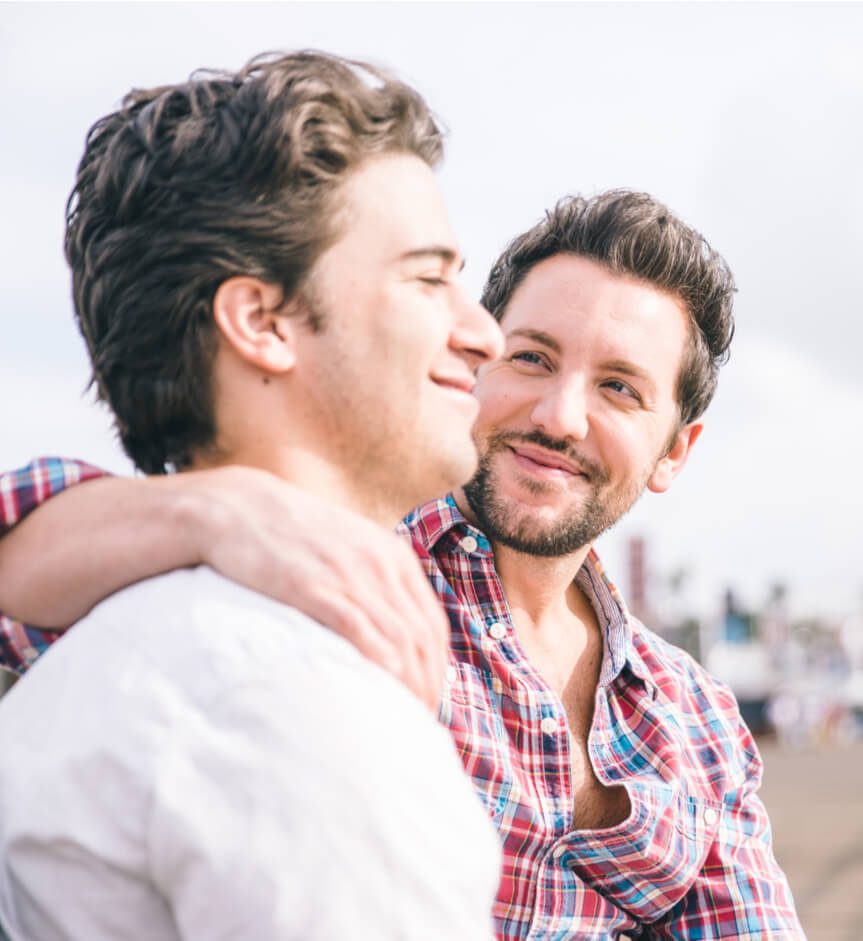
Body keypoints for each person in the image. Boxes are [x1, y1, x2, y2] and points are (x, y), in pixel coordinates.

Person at [0, 192, 806, 938]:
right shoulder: (321, 570)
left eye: (619, 388)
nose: (559, 416)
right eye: (531, 358)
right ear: (478, 359)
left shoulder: (695, 717)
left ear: (674, 450)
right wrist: (211, 508)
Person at [0, 51, 506, 940]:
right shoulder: (289, 702)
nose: (484, 333)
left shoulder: (95, 659)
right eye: (428, 278)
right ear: (262, 322)